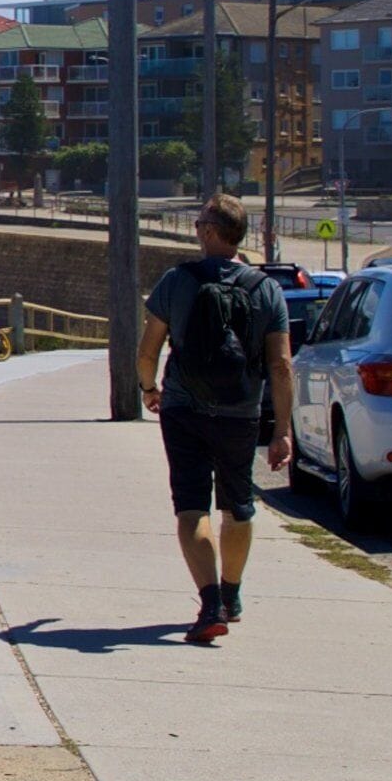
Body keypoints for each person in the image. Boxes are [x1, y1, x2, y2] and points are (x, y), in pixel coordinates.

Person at [136, 194, 293, 646]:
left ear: (209, 231)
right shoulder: (266, 289)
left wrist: (149, 389)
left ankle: (209, 604)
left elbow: (148, 351)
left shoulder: (177, 281)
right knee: (238, 505)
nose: (196, 227)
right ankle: (232, 593)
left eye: (200, 220)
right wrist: (282, 431)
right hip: (241, 413)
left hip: (184, 409)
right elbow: (281, 365)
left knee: (191, 507)